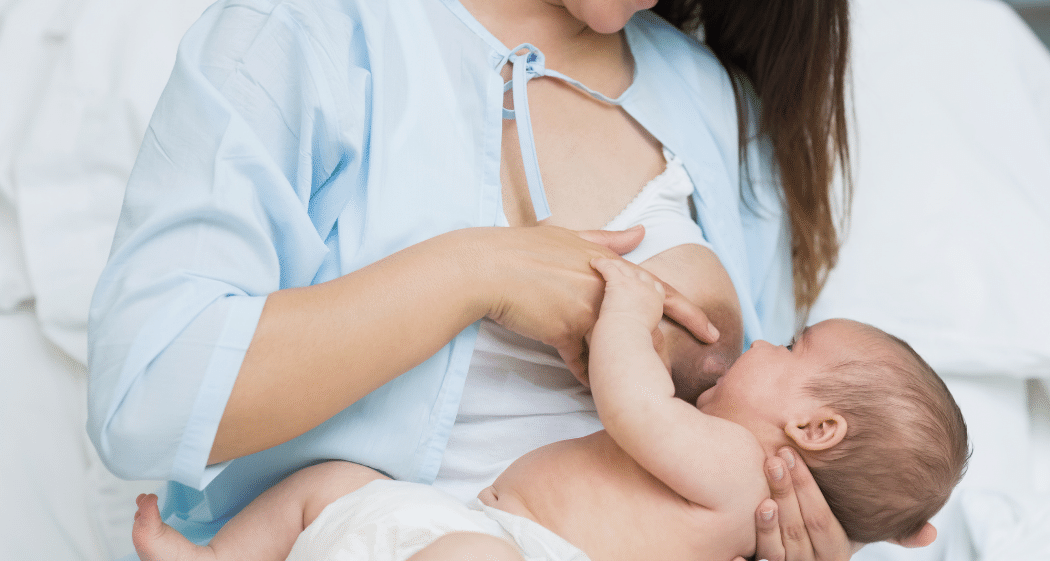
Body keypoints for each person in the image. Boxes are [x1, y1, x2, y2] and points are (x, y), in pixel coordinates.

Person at [88, 0, 934, 558]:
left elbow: (767, 431)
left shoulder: (713, 108)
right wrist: (474, 274)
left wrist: (791, 535)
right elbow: (146, 395)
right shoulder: (305, 30)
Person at [128, 250, 967, 561]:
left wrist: (630, 308)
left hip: (506, 548)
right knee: (338, 480)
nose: (764, 342)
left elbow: (631, 402)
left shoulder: (742, 468)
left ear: (813, 428)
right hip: (455, 520)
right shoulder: (748, 494)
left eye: (792, 348)